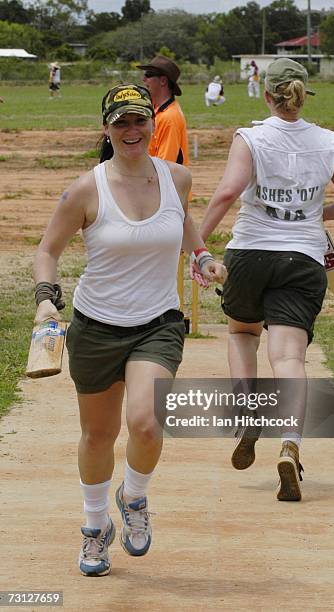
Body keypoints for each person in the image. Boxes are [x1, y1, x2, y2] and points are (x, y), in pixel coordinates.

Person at [33, 83, 227, 577]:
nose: (132, 130)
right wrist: (45, 303)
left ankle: (134, 498)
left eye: (140, 120)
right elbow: (47, 251)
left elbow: (181, 220)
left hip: (158, 323)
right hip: (96, 326)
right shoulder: (85, 189)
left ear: (152, 124)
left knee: (145, 421)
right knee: (98, 436)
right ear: (106, 129)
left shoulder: (177, 177)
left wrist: (201, 255)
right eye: (121, 122)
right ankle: (95, 528)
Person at [199, 58, 334, 502]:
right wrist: (314, 215)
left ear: (268, 95)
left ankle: (248, 413)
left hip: (251, 252)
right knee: (289, 358)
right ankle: (290, 442)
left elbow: (228, 192)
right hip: (303, 257)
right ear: (301, 94)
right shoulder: (328, 141)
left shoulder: (250, 137)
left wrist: (196, 245)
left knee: (241, 333)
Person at [139, 56, 189, 165]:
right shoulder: (155, 110)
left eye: (148, 74)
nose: (144, 79)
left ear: (163, 81)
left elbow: (164, 166)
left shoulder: (169, 117)